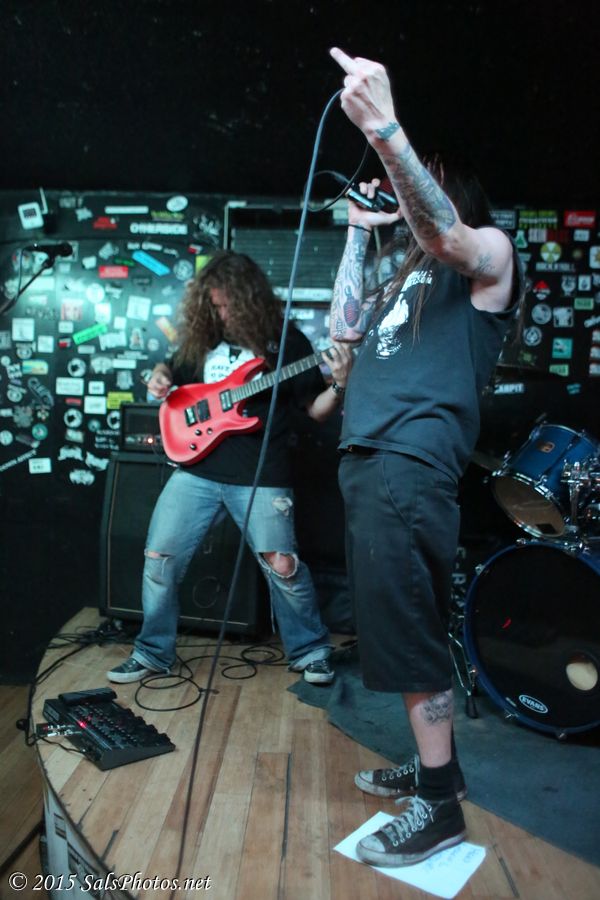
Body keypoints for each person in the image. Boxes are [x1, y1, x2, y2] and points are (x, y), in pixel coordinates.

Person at [328, 47, 524, 867]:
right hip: (371, 456)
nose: (399, 191)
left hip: (411, 458)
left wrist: (385, 130)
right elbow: (342, 333)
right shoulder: (401, 276)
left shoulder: (489, 252)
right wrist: (355, 233)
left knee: (409, 632)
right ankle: (440, 769)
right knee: (398, 624)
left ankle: (440, 807)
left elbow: (443, 230)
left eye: (418, 180)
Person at [107, 250, 353, 686]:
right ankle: (153, 652)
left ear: (247, 298)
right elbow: (171, 370)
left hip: (261, 473)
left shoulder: (286, 342)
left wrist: (339, 384)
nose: (219, 313)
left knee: (283, 566)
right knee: (159, 559)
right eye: (214, 305)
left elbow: (316, 411)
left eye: (225, 305)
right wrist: (160, 376)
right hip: (197, 468)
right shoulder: (204, 339)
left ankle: (311, 650)